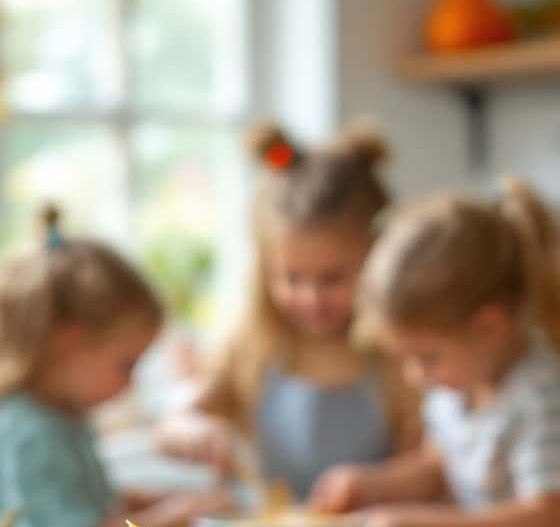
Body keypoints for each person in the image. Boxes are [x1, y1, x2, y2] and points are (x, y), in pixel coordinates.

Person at [313, 181, 560, 527]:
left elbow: (547, 517)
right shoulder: (454, 389)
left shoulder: (539, 397)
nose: (414, 375)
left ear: (489, 326)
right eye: (403, 358)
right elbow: (436, 465)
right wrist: (372, 485)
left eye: (426, 357)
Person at [158, 122, 420, 500]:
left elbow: (427, 468)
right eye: (292, 279)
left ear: (380, 262)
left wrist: (374, 486)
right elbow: (175, 420)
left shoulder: (400, 358)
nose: (312, 299)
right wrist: (188, 427)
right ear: (265, 271)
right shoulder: (253, 342)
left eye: (332, 279)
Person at [0, 207, 229, 527]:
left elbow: (86, 502)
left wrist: (159, 503)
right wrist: (182, 520)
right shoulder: (31, 433)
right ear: (69, 342)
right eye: (126, 364)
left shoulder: (61, 417)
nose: (130, 383)